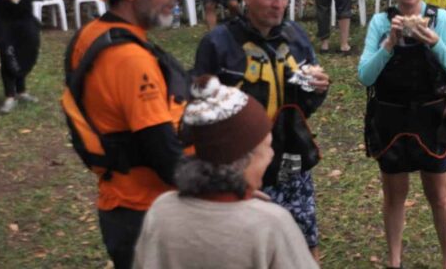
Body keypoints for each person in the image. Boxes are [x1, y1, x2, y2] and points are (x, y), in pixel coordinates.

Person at [62, 0, 198, 269]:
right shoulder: (129, 58)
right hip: (147, 214)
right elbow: (165, 155)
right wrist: (229, 190)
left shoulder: (93, 33)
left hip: (123, 205)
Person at [194, 0, 331, 259]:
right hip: (240, 169)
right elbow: (199, 113)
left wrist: (317, 87)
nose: (278, 3)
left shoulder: (295, 37)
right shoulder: (218, 43)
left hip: (291, 163)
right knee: (247, 253)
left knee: (304, 244)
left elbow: (305, 106)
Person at [133, 75, 316, 269]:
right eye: (268, 147)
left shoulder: (161, 210)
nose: (271, 155)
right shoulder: (270, 224)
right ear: (243, 160)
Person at [359, 0, 446, 269]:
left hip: (433, 118)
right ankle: (394, 261)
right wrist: (389, 44)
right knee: (394, 194)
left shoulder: (441, 18)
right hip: (390, 118)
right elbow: (365, 75)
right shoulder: (381, 22)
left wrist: (435, 41)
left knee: (440, 195)